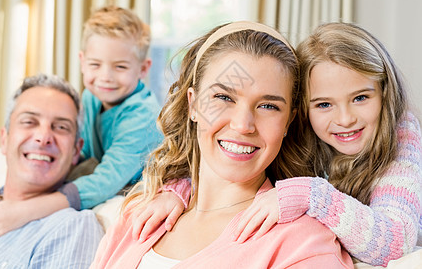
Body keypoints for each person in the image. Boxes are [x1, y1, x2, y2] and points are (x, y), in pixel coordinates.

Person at [137, 22, 422, 267]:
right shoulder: (303, 132)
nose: (345, 119)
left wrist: (311, 195)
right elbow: (230, 157)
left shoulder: (401, 136)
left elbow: (396, 242)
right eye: (324, 104)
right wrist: (180, 191)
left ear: (385, 93)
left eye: (361, 98)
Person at [90, 21, 353, 268]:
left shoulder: (304, 243)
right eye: (224, 97)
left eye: (268, 106)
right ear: (194, 104)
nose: (243, 125)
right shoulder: (139, 216)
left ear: (288, 122)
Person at [0, 6, 164, 235]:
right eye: (95, 65)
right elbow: (80, 153)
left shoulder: (143, 116)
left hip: (137, 185)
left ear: (143, 68)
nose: (105, 77)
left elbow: (106, 180)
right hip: (102, 175)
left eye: (120, 67)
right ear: (82, 62)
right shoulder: (91, 96)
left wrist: (30, 209)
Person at [0, 74, 104, 268]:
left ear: (76, 150)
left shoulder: (71, 227)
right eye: (29, 122)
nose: (43, 137)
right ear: (4, 139)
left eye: (60, 127)